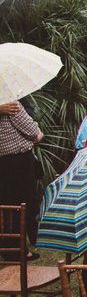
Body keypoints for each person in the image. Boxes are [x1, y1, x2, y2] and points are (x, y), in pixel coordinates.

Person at [0, 100, 43, 243]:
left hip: (4, 161)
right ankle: (17, 248)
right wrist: (38, 135)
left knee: (7, 204)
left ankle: (9, 244)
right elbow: (33, 132)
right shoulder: (11, 104)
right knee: (22, 203)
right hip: (18, 161)